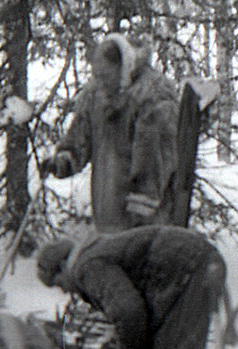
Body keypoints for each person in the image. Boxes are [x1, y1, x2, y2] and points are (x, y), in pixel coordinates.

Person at [35, 226, 230, 349]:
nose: (64, 290)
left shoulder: (86, 266)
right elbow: (134, 312)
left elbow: (128, 313)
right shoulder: (97, 253)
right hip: (198, 265)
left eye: (58, 282)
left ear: (62, 265)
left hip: (188, 268)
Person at [39, 33, 179, 234]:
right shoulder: (96, 94)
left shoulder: (153, 96)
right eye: (96, 75)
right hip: (108, 216)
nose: (99, 83)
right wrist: (63, 160)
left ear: (123, 69)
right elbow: (80, 139)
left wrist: (141, 210)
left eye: (105, 76)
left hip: (145, 222)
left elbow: (155, 162)